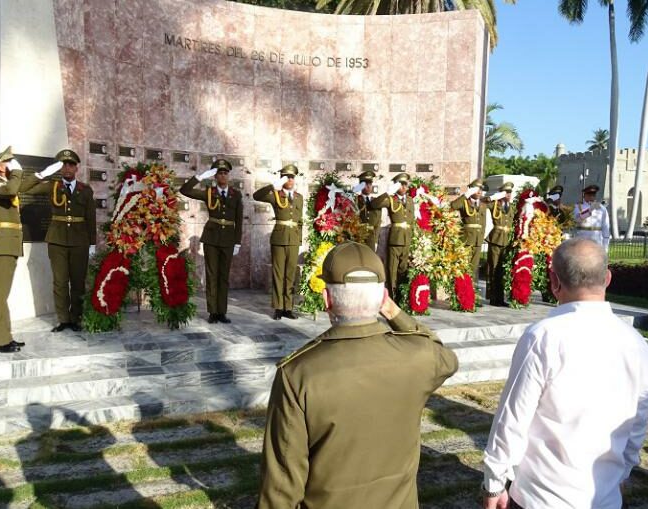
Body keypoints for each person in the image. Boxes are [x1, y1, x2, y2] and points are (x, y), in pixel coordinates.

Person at [257, 241, 458, 508]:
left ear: (327, 298)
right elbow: (439, 352)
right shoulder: (417, 357)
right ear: (383, 297)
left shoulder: (299, 373)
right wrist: (394, 312)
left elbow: (282, 484)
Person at [482, 238, 648, 509]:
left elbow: (513, 418)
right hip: (603, 495)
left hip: (542, 497)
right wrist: (622, 474)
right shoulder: (637, 343)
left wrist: (494, 482)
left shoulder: (543, 337)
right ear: (608, 278)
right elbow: (637, 426)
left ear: (554, 281)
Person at [22, 149, 96, 332]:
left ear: (76, 168)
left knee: (78, 282)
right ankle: (63, 319)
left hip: (80, 241)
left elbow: (91, 217)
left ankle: (76, 318)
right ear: (59, 168)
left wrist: (92, 243)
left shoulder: (85, 190)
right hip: (57, 241)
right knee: (60, 282)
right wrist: (41, 174)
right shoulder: (51, 186)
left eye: (71, 165)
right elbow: (23, 189)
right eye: (63, 165)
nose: (67, 168)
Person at [180, 159, 242, 324]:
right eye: (219, 173)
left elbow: (239, 219)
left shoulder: (236, 194)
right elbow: (184, 190)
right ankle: (213, 312)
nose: (222, 176)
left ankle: (222, 311)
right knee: (212, 275)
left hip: (228, 238)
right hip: (212, 238)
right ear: (215, 177)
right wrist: (199, 177)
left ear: (228, 176)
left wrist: (238, 242)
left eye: (225, 173)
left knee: (224, 277)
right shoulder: (209, 192)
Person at [0, 146, 27, 353]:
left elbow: (21, 186)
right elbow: (11, 190)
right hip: (0, 245)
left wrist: (38, 175)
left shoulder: (8, 183)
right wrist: (17, 172)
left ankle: (4, 336)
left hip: (8, 245)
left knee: (1, 295)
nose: (11, 164)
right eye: (7, 161)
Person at [253, 164, 303, 320]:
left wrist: (299, 239)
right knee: (278, 274)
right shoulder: (275, 195)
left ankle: (288, 307)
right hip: (279, 238)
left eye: (292, 177)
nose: (289, 180)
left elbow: (299, 221)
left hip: (293, 239)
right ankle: (278, 307)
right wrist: (272, 185)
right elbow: (257, 196)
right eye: (286, 177)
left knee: (290, 275)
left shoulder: (299, 197)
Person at [371, 173, 415, 300]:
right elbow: (374, 204)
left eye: (406, 184)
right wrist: (387, 192)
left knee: (403, 268)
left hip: (406, 239)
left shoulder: (411, 201)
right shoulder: (391, 199)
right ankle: (391, 296)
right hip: (395, 239)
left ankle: (401, 295)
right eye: (401, 184)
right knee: (391, 269)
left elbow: (411, 221)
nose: (404, 187)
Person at [451, 178, 488, 281]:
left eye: (481, 189)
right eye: (476, 189)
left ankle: (470, 290)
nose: (479, 191)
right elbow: (453, 206)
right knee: (463, 267)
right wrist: (466, 195)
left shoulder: (483, 204)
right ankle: (462, 289)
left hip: (478, 240)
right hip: (466, 240)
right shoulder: (464, 202)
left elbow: (483, 223)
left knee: (473, 268)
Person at [485, 182, 515, 306]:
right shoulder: (495, 204)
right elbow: (483, 202)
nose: (508, 195)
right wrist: (494, 197)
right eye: (506, 192)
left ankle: (500, 298)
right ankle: (493, 298)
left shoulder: (512, 207)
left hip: (507, 240)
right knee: (493, 268)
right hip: (495, 239)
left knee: (502, 270)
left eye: (509, 193)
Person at [573, 184, 610, 251]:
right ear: (585, 195)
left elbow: (605, 227)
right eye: (589, 195)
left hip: (597, 238)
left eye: (593, 195)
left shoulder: (602, 208)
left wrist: (605, 247)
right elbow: (577, 220)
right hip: (583, 237)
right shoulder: (578, 206)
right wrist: (589, 210)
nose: (591, 197)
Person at [352, 170, 382, 251]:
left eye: (370, 184)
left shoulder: (376, 202)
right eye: (365, 184)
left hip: (371, 239)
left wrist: (375, 241)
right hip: (358, 237)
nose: (368, 187)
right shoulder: (355, 201)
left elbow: (378, 223)